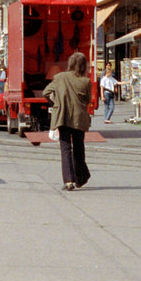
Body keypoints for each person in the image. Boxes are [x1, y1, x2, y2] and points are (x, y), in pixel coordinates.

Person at [43, 51, 92, 191]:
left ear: (70, 63)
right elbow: (88, 100)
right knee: (79, 148)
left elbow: (46, 92)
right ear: (83, 66)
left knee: (65, 148)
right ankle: (81, 177)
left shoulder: (59, 77)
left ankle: (69, 180)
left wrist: (56, 103)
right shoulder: (86, 81)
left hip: (63, 116)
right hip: (79, 118)